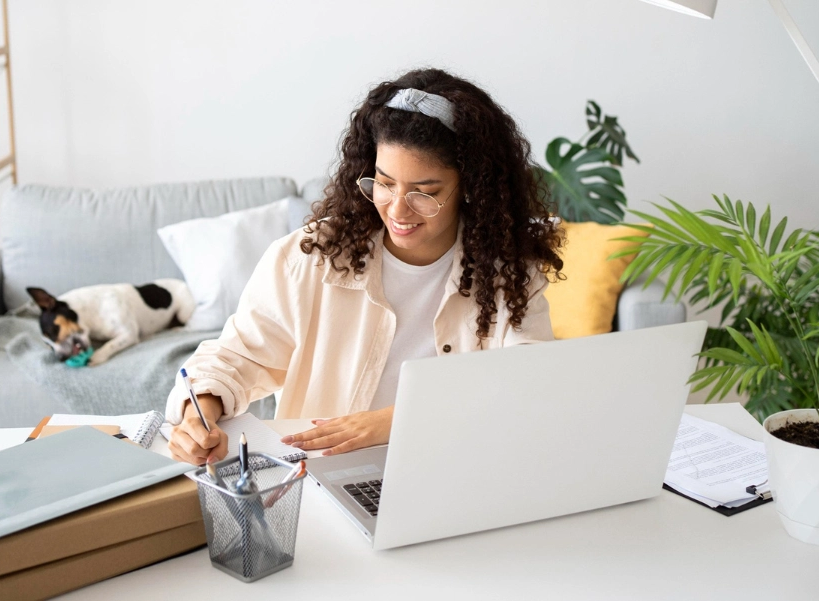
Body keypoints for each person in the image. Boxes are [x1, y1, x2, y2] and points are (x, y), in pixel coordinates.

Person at [166, 67, 564, 465]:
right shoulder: (312, 256)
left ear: (471, 189)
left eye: (425, 193)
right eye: (384, 183)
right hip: (319, 473)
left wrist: (396, 421)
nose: (397, 209)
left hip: (452, 469)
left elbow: (524, 384)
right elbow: (238, 357)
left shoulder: (508, 275)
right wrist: (197, 413)